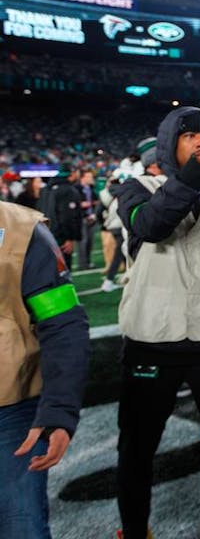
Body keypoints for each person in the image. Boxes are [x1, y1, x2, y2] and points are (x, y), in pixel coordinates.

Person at [110, 107, 200, 539]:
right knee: (136, 449)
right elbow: (154, 225)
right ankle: (134, 531)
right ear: (167, 144)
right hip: (150, 342)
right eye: (190, 135)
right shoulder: (136, 187)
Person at [0, 201, 89, 537]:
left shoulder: (22, 231)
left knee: (21, 529)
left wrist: (59, 409)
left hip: (9, 408)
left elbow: (63, 323)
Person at [39, 164, 83, 272]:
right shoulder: (68, 190)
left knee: (50, 272)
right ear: (72, 173)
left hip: (45, 235)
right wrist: (69, 238)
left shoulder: (45, 190)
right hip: (61, 239)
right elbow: (67, 216)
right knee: (63, 272)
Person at [76, 169, 98, 269]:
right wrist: (80, 204)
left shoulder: (91, 188)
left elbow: (96, 201)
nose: (91, 179)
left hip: (91, 217)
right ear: (83, 178)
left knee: (90, 242)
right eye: (89, 177)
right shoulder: (76, 188)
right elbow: (74, 203)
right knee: (83, 242)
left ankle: (88, 262)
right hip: (82, 218)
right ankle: (82, 263)